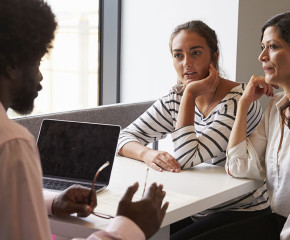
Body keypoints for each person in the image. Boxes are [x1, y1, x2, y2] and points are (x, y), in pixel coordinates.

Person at [0, 0, 168, 239]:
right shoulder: (11, 143)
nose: (39, 77)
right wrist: (128, 228)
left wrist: (50, 203)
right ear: (12, 65)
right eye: (37, 62)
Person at [117, 20, 270, 239]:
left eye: (195, 53)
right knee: (137, 233)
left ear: (214, 56)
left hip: (243, 212)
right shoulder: (174, 99)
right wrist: (148, 153)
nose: (186, 63)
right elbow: (123, 137)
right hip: (196, 208)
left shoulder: (239, 100)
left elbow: (188, 157)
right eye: (178, 55)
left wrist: (189, 94)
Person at [189, 11, 290, 240]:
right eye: (262, 47)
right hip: (275, 222)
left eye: (273, 46)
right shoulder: (275, 108)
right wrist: (243, 103)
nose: (262, 56)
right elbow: (238, 166)